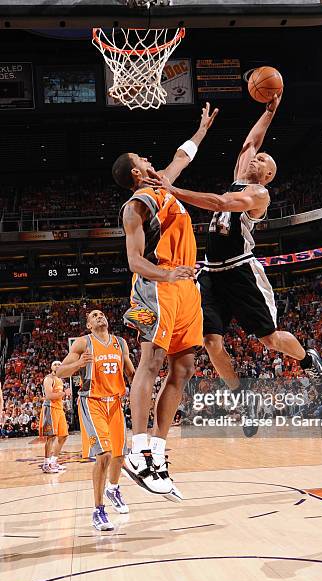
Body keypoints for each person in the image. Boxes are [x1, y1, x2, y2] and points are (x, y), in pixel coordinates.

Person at [146, 93, 322, 436]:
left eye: (260, 160)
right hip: (211, 273)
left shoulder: (259, 195)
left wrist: (173, 189)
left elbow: (220, 201)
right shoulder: (240, 175)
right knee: (211, 342)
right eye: (254, 157)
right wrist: (270, 110)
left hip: (241, 271)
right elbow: (250, 140)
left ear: (268, 173)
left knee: (270, 339)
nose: (253, 158)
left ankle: (307, 360)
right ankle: (243, 400)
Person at [111, 102, 218, 498]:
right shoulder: (136, 205)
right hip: (156, 284)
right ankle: (138, 448)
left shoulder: (163, 186)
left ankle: (156, 452)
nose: (150, 158)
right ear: (136, 173)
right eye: (142, 158)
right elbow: (135, 260)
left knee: (184, 368)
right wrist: (168, 273)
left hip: (186, 286)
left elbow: (180, 157)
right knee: (151, 361)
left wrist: (202, 129)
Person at [56, 310, 135, 531]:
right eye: (94, 315)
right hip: (93, 402)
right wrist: (79, 364)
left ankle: (113, 489)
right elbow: (61, 371)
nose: (99, 316)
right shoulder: (83, 343)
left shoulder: (120, 343)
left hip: (116, 404)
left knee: (119, 456)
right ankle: (98, 511)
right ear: (89, 325)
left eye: (101, 314)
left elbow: (131, 373)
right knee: (105, 455)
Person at [39, 361, 71, 474]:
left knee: (63, 436)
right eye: (55, 364)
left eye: (59, 364)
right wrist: (64, 393)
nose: (57, 365)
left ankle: (53, 462)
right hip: (50, 408)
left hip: (59, 409)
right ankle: (46, 464)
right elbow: (49, 396)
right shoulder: (49, 379)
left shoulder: (60, 379)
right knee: (51, 437)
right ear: (51, 367)